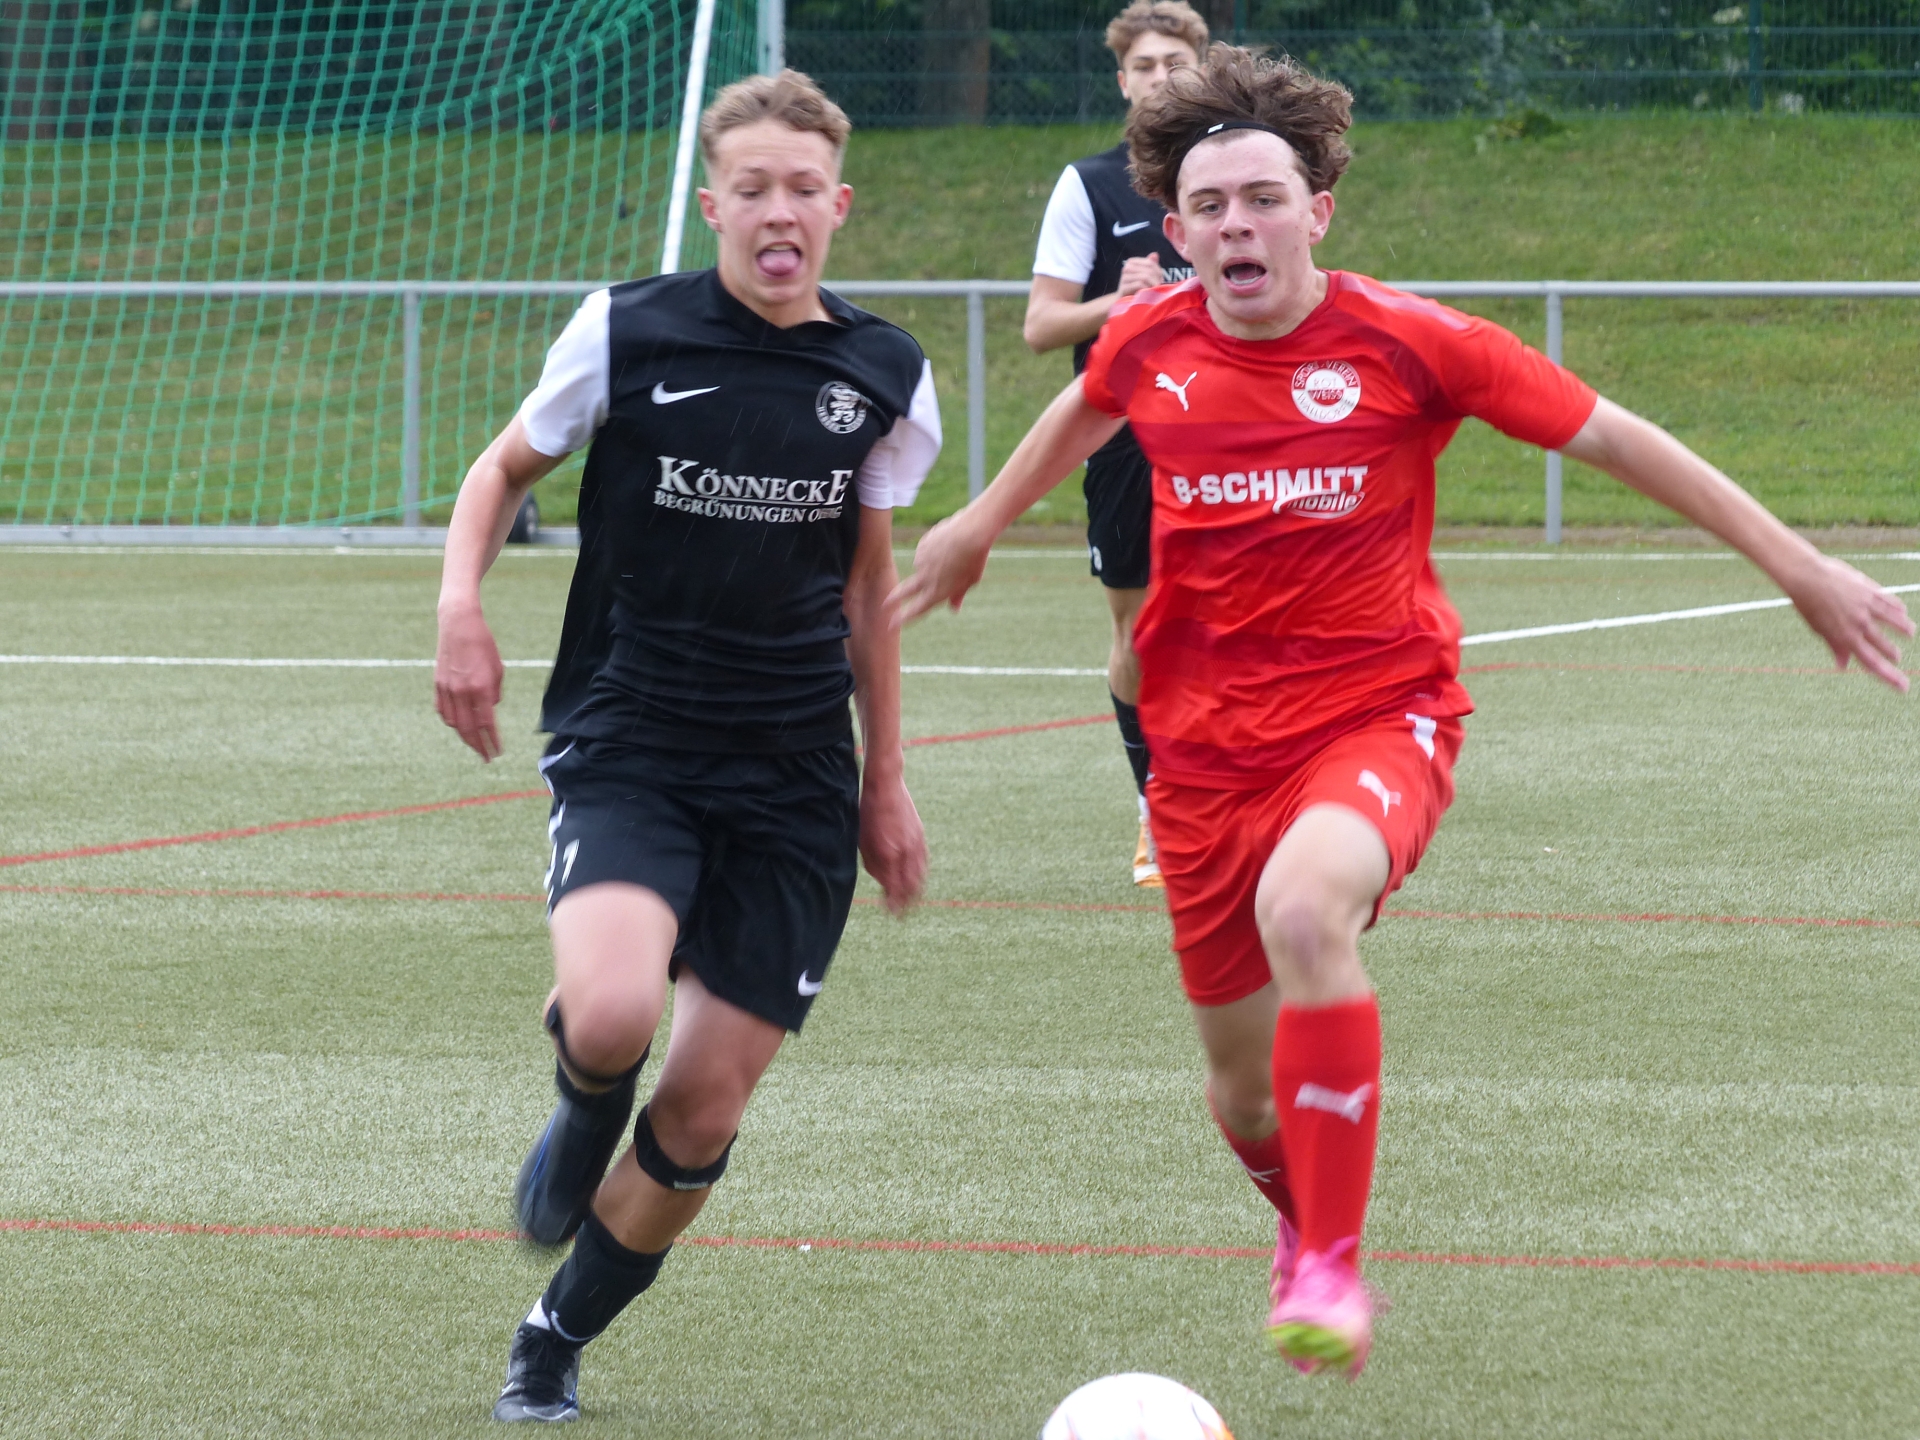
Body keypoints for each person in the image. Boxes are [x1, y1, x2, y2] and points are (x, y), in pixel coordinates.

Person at [895, 45, 1912, 1378]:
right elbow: (1086, 410)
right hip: (1201, 757)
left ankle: (1332, 1259)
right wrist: (976, 522)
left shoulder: (1414, 342)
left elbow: (1618, 437)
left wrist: (1797, 565)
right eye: (1210, 208)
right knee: (1242, 1095)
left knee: (1307, 908)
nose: (1238, 225)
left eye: (1265, 199)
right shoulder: (1150, 339)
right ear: (1178, 233)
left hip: (1377, 717)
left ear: (1317, 210)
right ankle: (1297, 1211)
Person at [433, 70, 938, 1423]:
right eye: (751, 188)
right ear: (713, 204)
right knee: (611, 1014)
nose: (779, 212)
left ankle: (554, 1334)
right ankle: (584, 1103)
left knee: (706, 1105)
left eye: (802, 189)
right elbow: (499, 472)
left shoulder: (883, 371)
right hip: (635, 735)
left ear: (839, 205)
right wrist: (461, 609)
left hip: (796, 774)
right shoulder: (627, 331)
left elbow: (866, 589)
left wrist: (886, 781)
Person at [1025, 0, 1207, 887]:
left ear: (1202, 70)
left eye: (1176, 63)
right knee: (1138, 630)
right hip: (1129, 433)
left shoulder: (1243, 173)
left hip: (1236, 432)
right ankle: (1156, 808)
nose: (1160, 78)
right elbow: (1041, 324)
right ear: (1122, 80)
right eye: (1144, 65)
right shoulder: (1088, 186)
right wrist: (1119, 302)